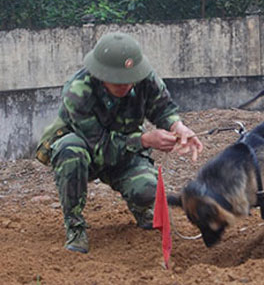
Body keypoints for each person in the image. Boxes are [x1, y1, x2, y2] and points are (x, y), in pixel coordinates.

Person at [36, 32, 203, 254]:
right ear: (100, 74)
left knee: (149, 191)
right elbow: (100, 147)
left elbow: (163, 108)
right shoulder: (78, 90)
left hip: (124, 151)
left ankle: (141, 208)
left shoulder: (145, 78)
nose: (125, 85)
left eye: (129, 78)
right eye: (117, 80)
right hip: (88, 153)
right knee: (70, 150)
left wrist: (178, 127)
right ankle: (75, 227)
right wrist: (145, 140)